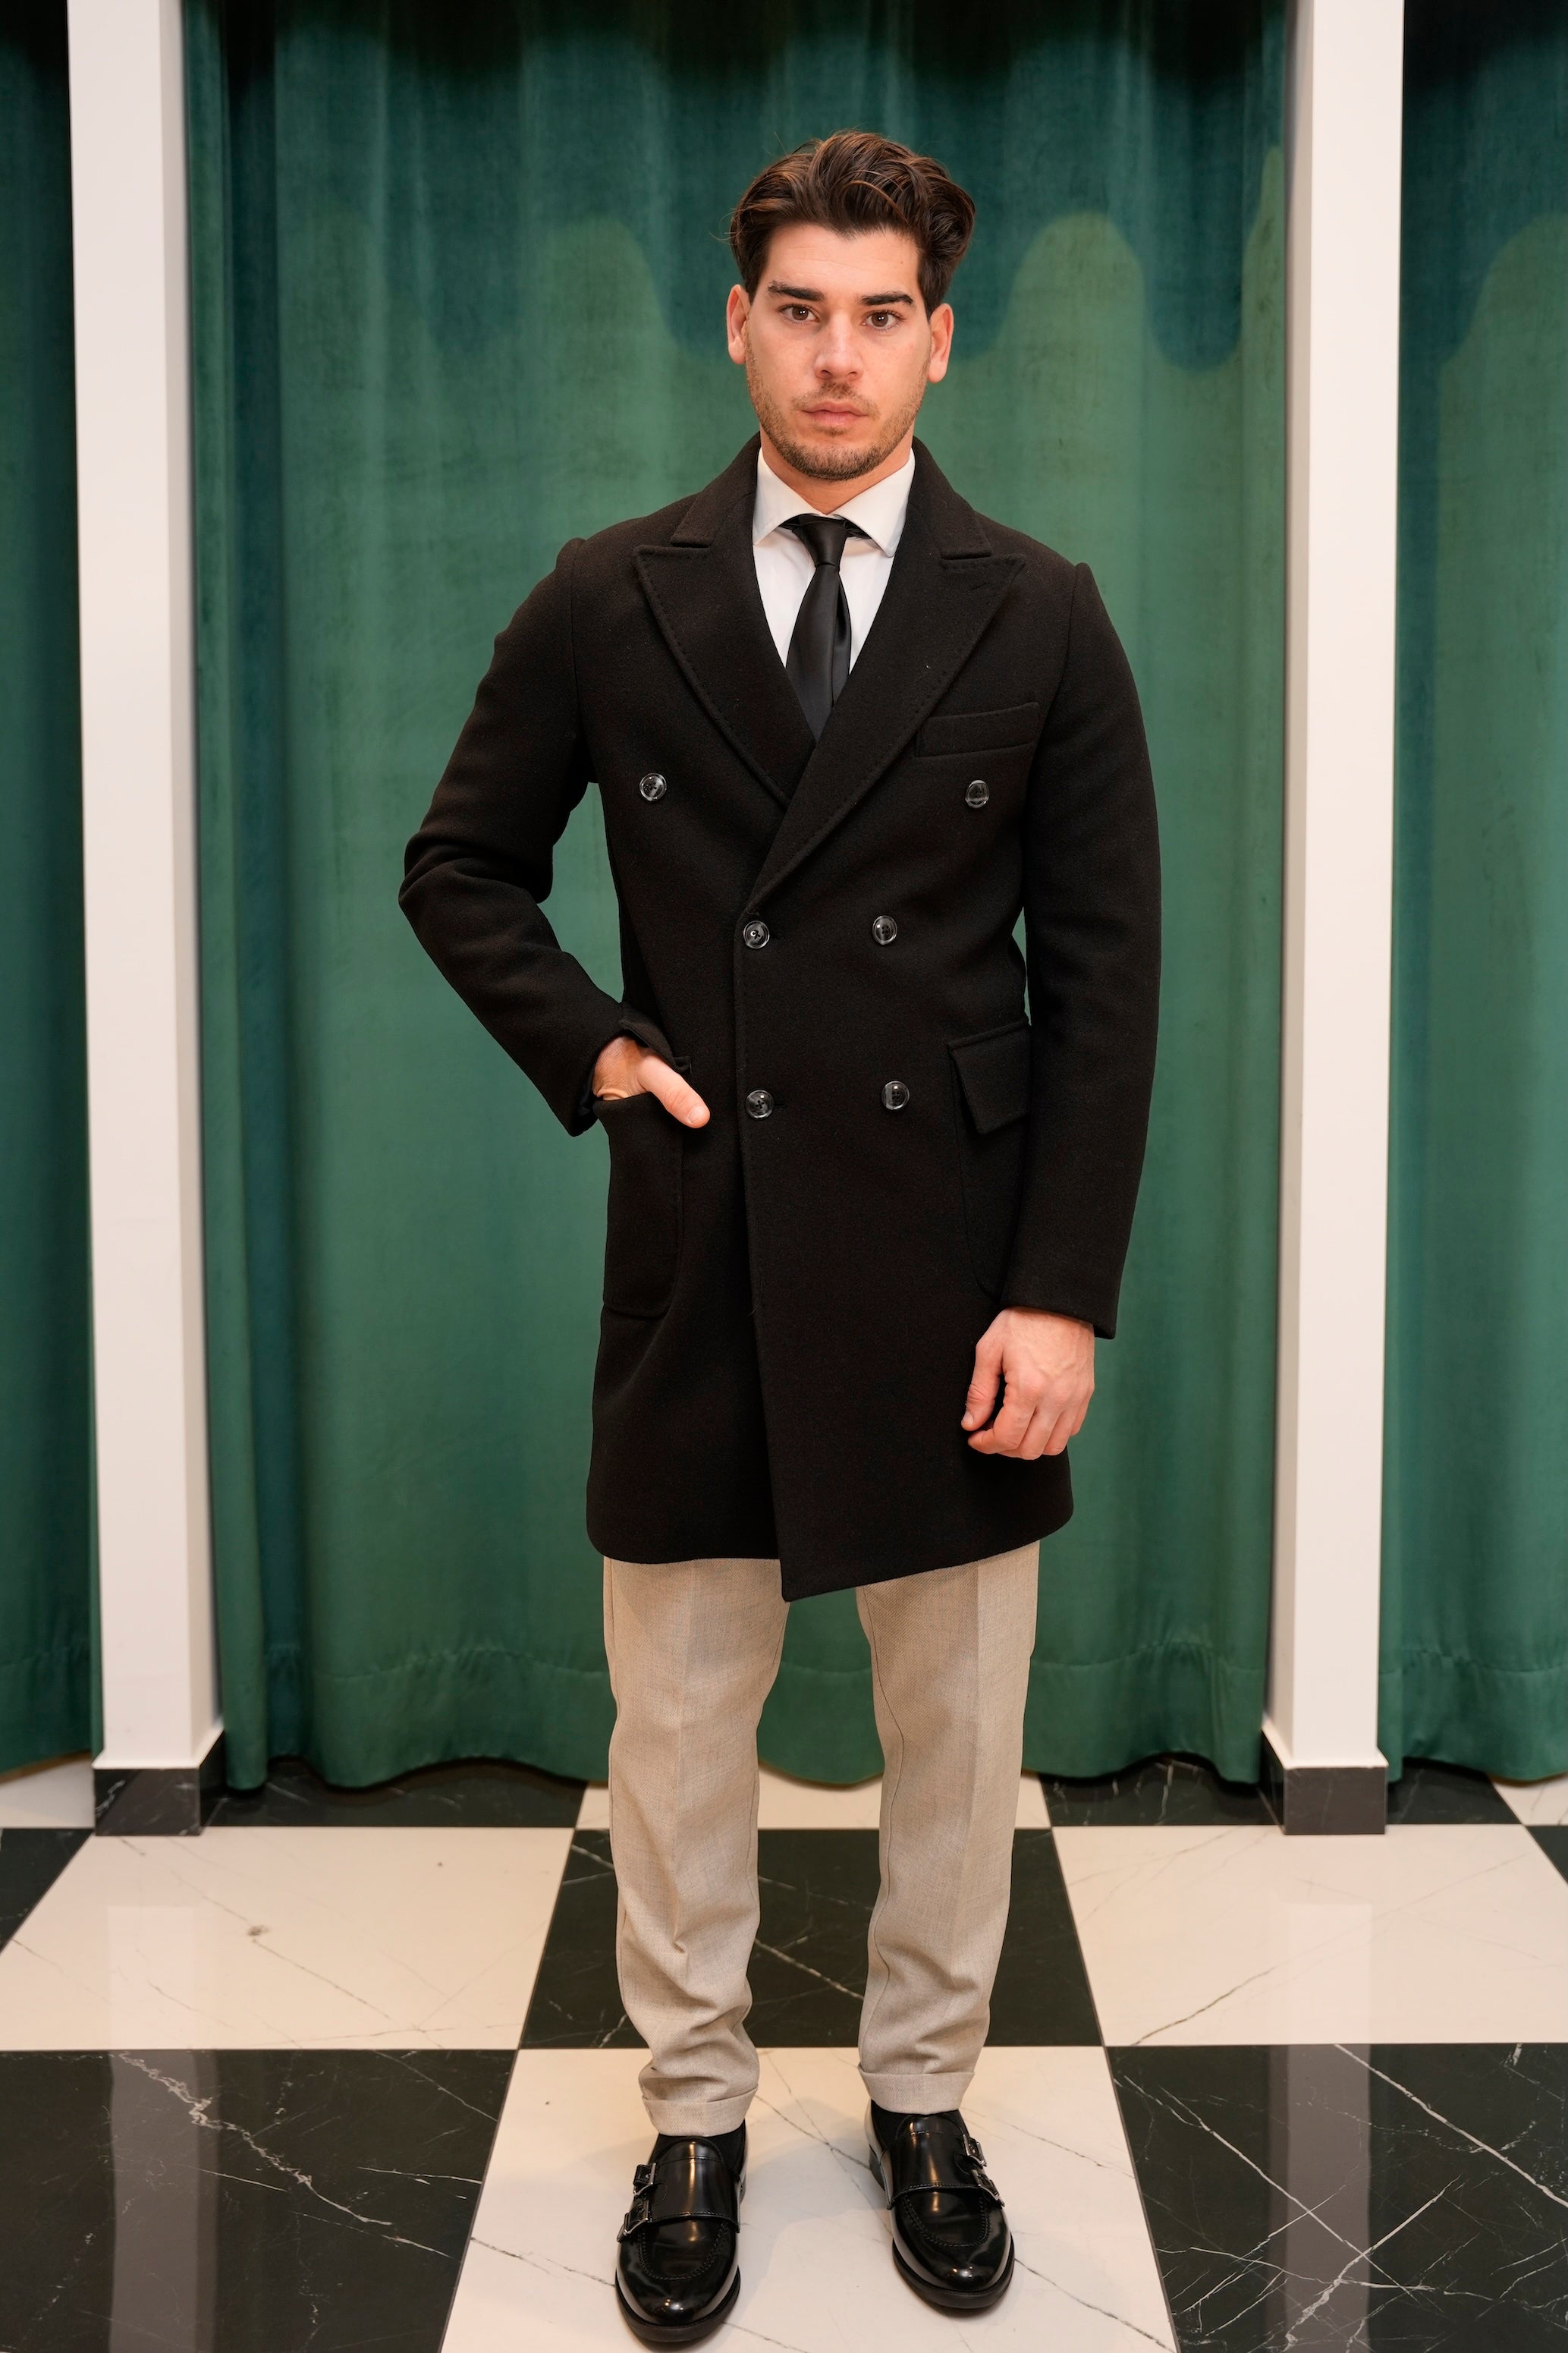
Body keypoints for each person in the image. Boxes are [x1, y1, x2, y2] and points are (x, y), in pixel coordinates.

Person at [402, 128, 1160, 2345]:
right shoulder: (609, 590)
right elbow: (460, 866)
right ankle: (696, 2116)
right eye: (801, 311)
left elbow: (1105, 979)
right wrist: (603, 1051)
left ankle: (924, 2099)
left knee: (959, 1733)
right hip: (706, 1228)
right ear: (736, 323)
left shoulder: (1039, 607)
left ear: (943, 339)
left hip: (955, 1256)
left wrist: (1060, 1292)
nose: (840, 356)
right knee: (677, 1723)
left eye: (881, 315)